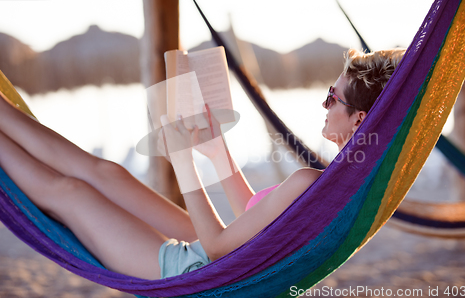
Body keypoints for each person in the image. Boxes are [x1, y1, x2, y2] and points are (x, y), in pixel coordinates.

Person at [0, 47, 405, 280]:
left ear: (359, 119)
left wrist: (181, 161)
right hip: (224, 260)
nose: (325, 103)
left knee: (73, 193)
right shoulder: (334, 183)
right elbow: (257, 219)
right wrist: (217, 151)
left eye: (333, 97)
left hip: (196, 269)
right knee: (107, 173)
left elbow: (215, 248)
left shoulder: (311, 180)